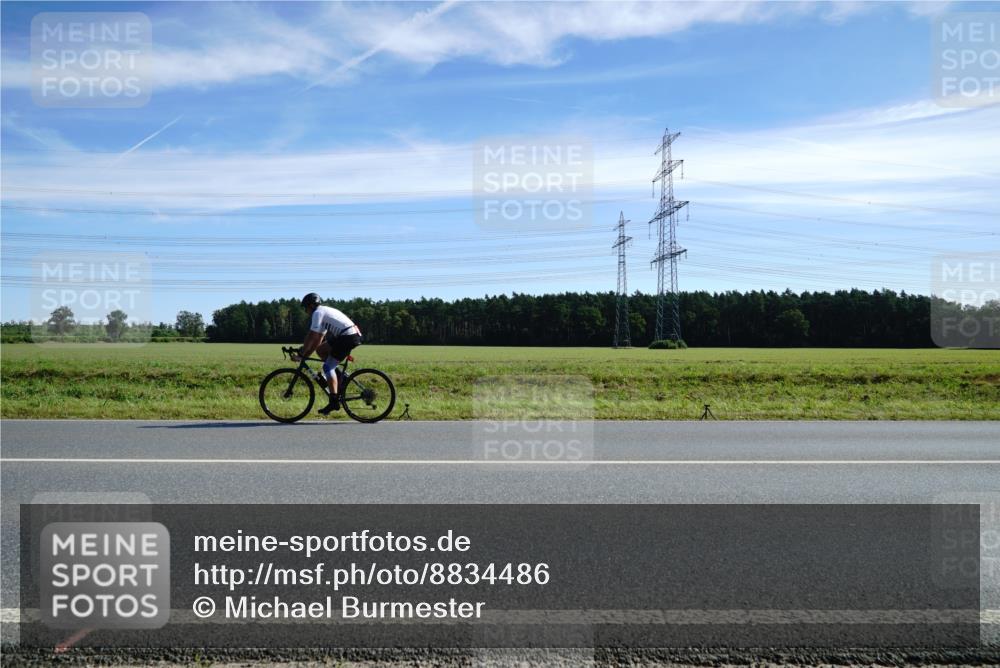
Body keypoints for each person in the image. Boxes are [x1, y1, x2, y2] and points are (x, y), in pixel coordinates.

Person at [294, 293, 362, 414]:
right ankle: (341, 378)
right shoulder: (322, 313)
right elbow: (318, 340)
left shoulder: (317, 313)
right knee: (321, 350)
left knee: (327, 367)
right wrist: (305, 355)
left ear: (310, 305)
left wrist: (302, 352)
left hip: (347, 337)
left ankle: (333, 401)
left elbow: (311, 336)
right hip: (349, 335)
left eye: (305, 308)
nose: (305, 311)